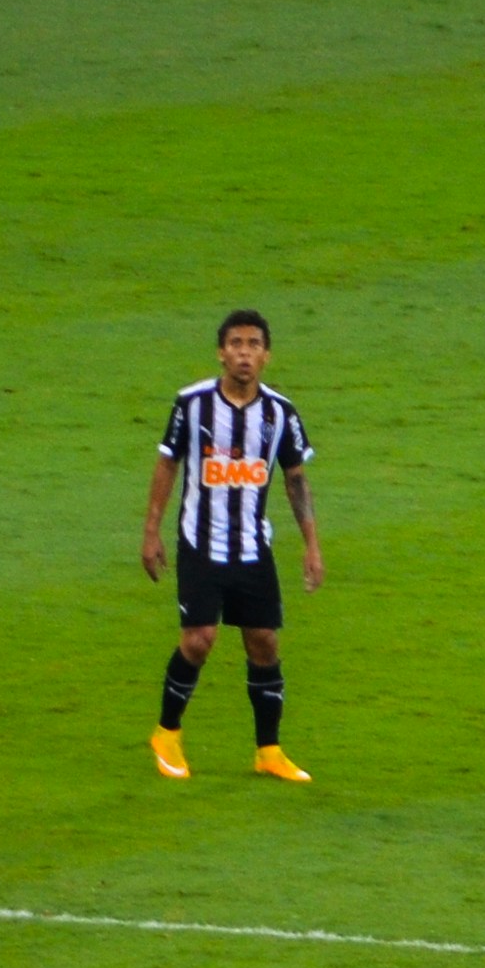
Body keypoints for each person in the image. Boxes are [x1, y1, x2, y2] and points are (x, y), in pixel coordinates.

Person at [139, 308, 322, 785]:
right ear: (221, 352)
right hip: (200, 543)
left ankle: (269, 750)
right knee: (199, 639)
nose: (244, 353)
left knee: (264, 642)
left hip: (253, 548)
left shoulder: (280, 413)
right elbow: (167, 465)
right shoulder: (192, 404)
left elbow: (296, 479)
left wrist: (311, 545)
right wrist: (151, 530)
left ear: (266, 355)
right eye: (235, 343)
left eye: (253, 344)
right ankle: (167, 733)